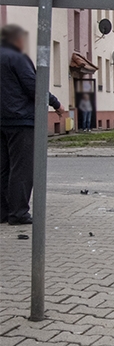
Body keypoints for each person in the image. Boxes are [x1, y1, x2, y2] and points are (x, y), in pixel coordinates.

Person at [1, 24, 66, 225]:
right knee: (22, 168)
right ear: (17, 40)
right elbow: (34, 87)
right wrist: (56, 103)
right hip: (21, 120)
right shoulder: (18, 58)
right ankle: (18, 213)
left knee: (3, 168)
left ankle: (2, 212)